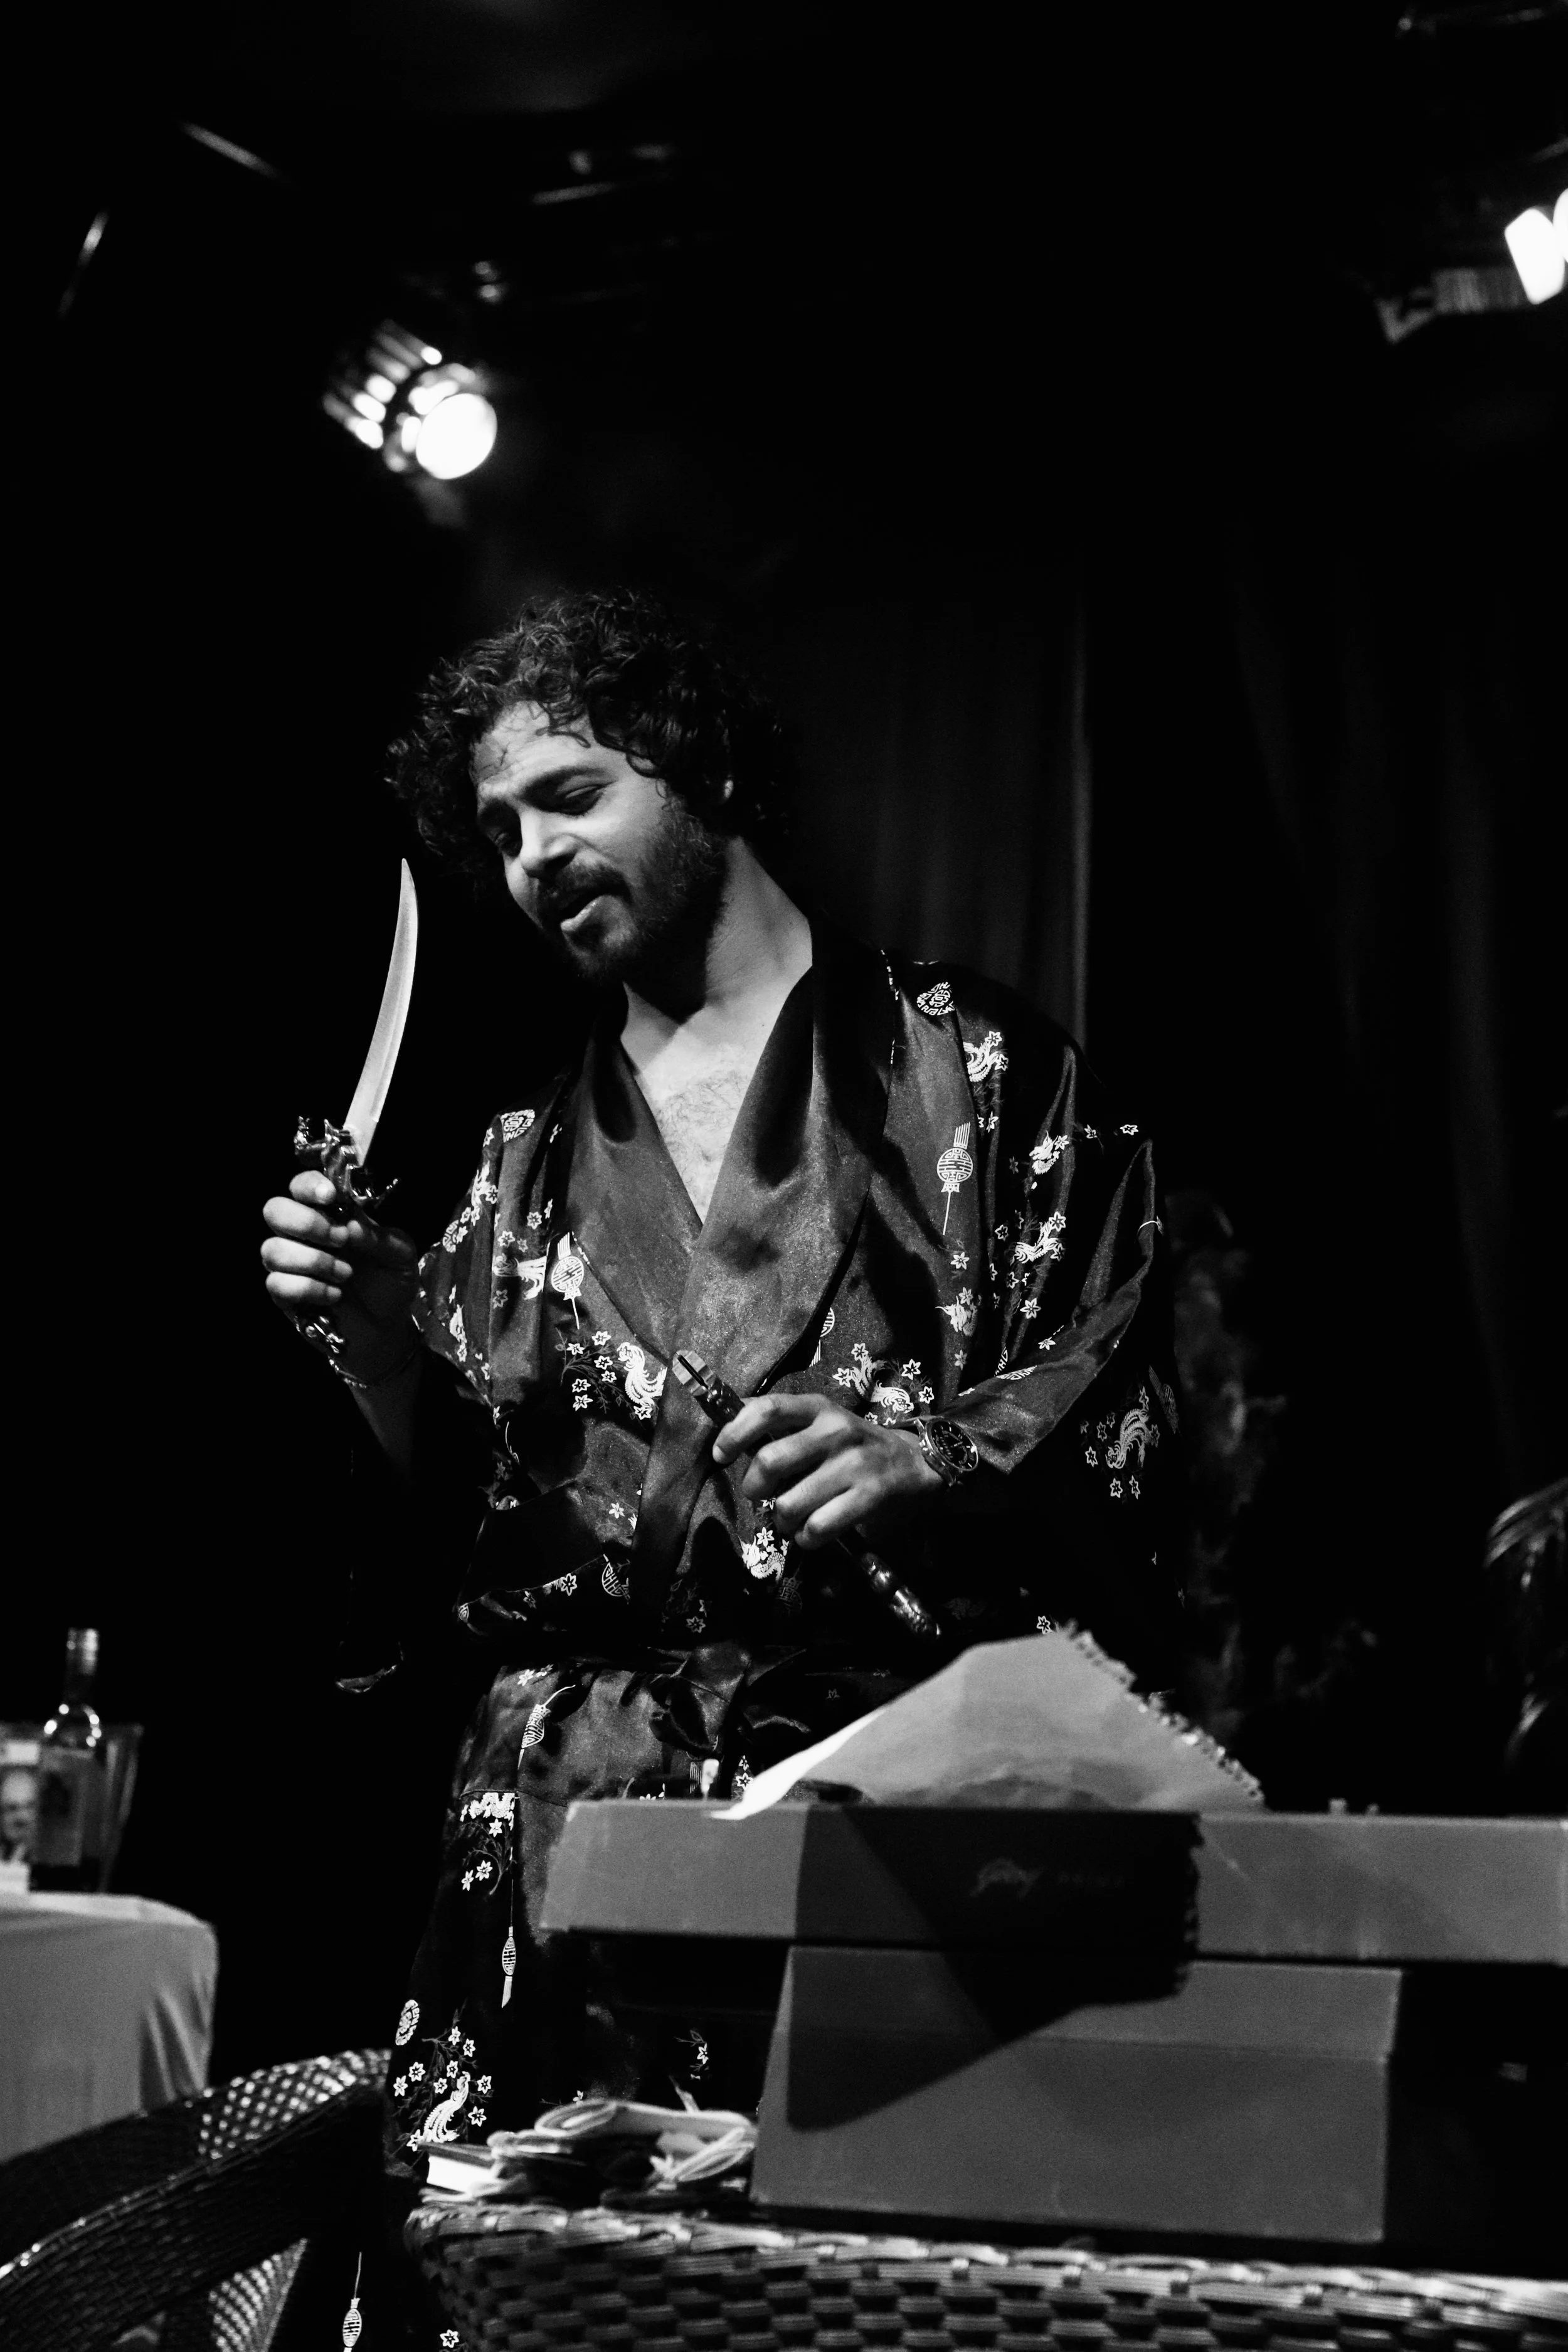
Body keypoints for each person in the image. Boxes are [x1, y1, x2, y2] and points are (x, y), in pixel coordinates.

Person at [260, 588, 1180, 2163]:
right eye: (499, 831)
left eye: (570, 795)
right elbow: (450, 1551)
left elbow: (1127, 1390)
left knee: (843, 2267)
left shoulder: (980, 1076)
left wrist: (936, 1455)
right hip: (566, 1843)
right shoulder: (514, 1169)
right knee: (533, 2273)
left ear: (712, 773)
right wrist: (385, 1364)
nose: (533, 855)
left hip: (883, 1821)